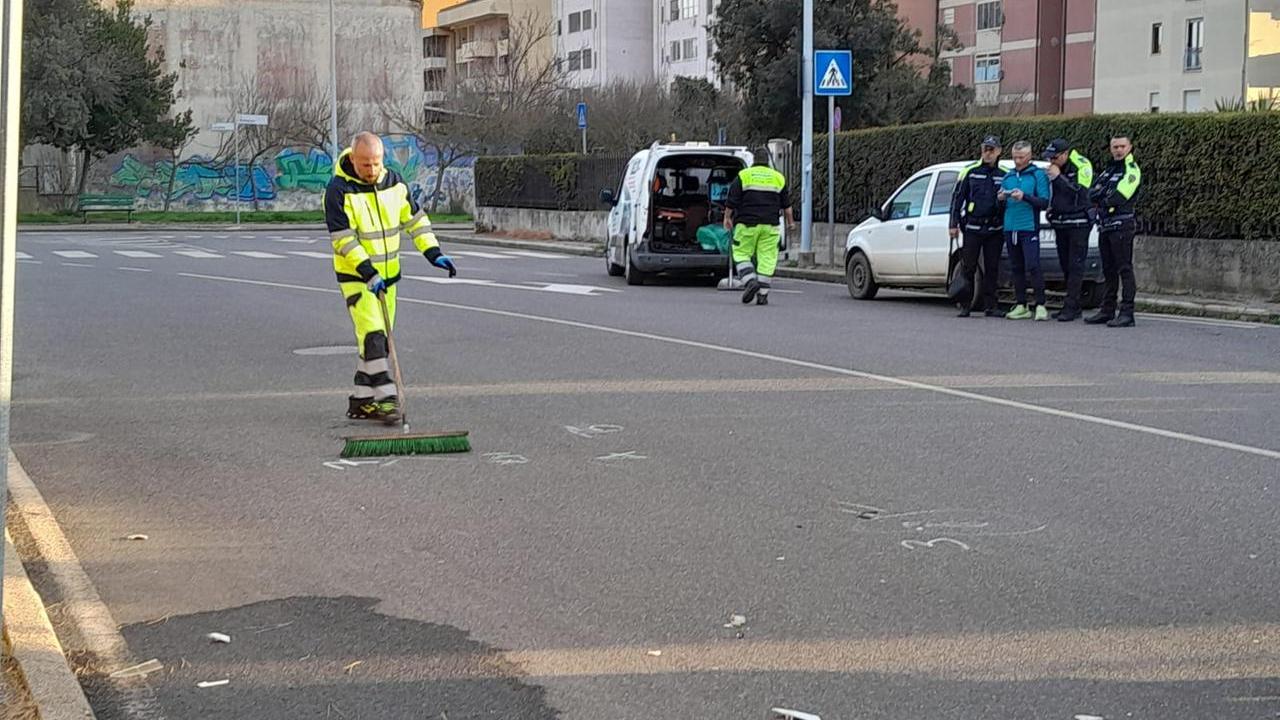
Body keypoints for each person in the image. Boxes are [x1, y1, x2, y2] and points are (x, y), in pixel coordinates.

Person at [324, 132, 457, 422]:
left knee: (379, 342)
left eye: (376, 163)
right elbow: (343, 240)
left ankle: (362, 401)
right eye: (365, 164)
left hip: (389, 279)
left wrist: (433, 252)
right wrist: (368, 273)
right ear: (352, 159)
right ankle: (386, 399)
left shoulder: (395, 183)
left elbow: (415, 220)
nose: (372, 170)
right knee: (372, 336)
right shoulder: (338, 190)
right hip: (357, 279)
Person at [724, 147, 795, 306]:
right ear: (768, 161)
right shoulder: (778, 178)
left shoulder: (744, 176)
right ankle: (762, 295)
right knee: (767, 259)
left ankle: (750, 281)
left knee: (741, 253)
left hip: (746, 224)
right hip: (771, 226)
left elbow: (731, 201)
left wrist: (727, 218)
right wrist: (791, 223)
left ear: (754, 160)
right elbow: (787, 206)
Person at [1088, 134, 1143, 328]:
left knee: (1124, 269)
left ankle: (1127, 312)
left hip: (1122, 225)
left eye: (1122, 146)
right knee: (1108, 270)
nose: (1118, 150)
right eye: (1115, 147)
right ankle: (1107, 310)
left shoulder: (1132, 169)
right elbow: (1092, 192)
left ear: (1129, 147)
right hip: (1105, 225)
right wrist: (1102, 197)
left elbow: (1120, 195)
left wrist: (1103, 199)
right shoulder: (1108, 170)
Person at [948, 135, 1007, 317]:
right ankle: (965, 304)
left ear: (998, 151)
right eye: (985, 149)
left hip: (995, 229)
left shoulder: (1004, 174)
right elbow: (957, 199)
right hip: (973, 228)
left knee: (992, 268)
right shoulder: (971, 171)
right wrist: (953, 224)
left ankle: (991, 306)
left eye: (991, 150)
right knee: (968, 267)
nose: (987, 153)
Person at [1042, 138, 1094, 322]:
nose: (1051, 161)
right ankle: (1074, 305)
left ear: (1065, 154)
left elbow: (1080, 192)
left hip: (1078, 223)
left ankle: (1071, 307)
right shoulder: (1056, 168)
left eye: (1054, 157)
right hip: (1061, 223)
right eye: (1049, 158)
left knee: (1075, 266)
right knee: (1065, 265)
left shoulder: (1082, 165)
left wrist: (1059, 178)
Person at [999, 141, 1051, 321]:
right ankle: (1021, 304)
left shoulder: (1037, 175)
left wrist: (1024, 197)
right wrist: (1001, 198)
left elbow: (1044, 202)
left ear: (1029, 156)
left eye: (1021, 157)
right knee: (1016, 267)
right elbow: (1001, 204)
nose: (1018, 161)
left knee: (1033, 265)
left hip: (1029, 227)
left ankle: (1041, 305)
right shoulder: (1008, 176)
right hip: (1010, 227)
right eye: (1015, 157)